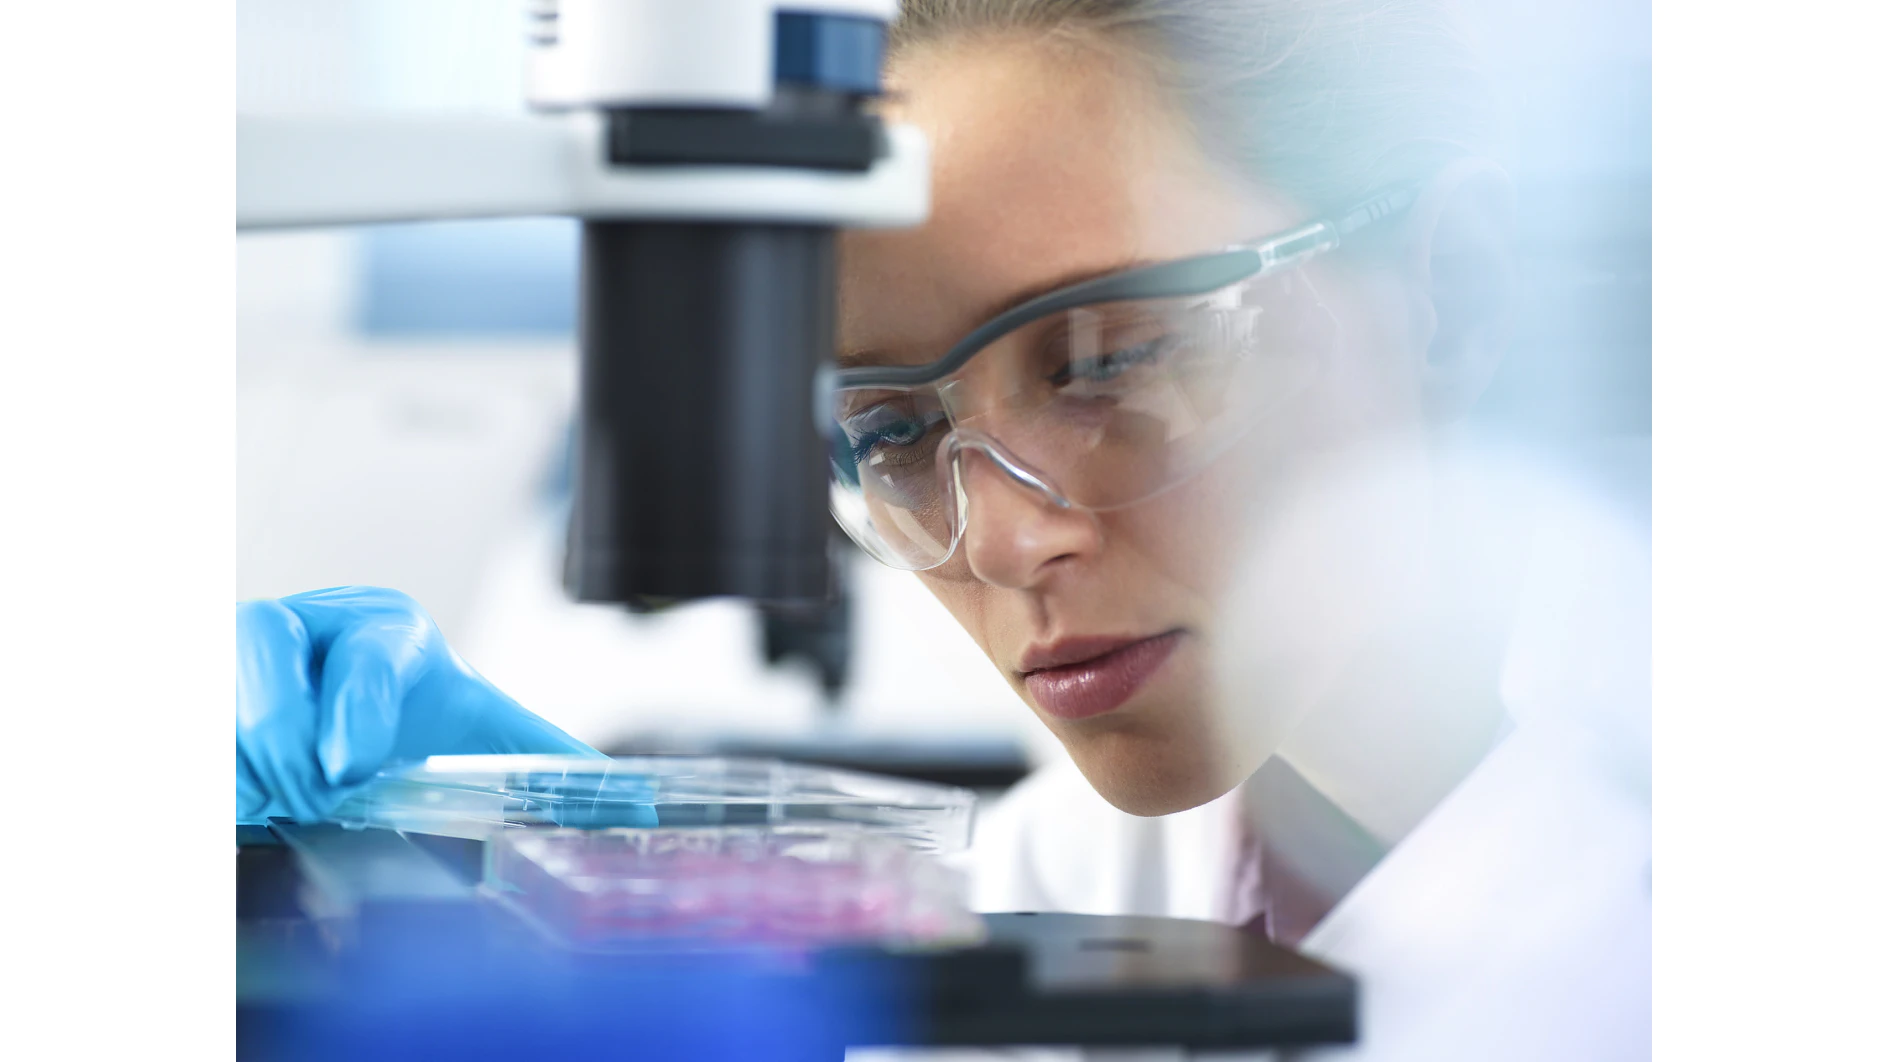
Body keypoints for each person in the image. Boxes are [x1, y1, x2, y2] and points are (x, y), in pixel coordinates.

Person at [239, 1, 1648, 1057]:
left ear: (1453, 289)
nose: (1004, 542)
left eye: (1109, 361)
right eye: (892, 434)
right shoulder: (1083, 887)